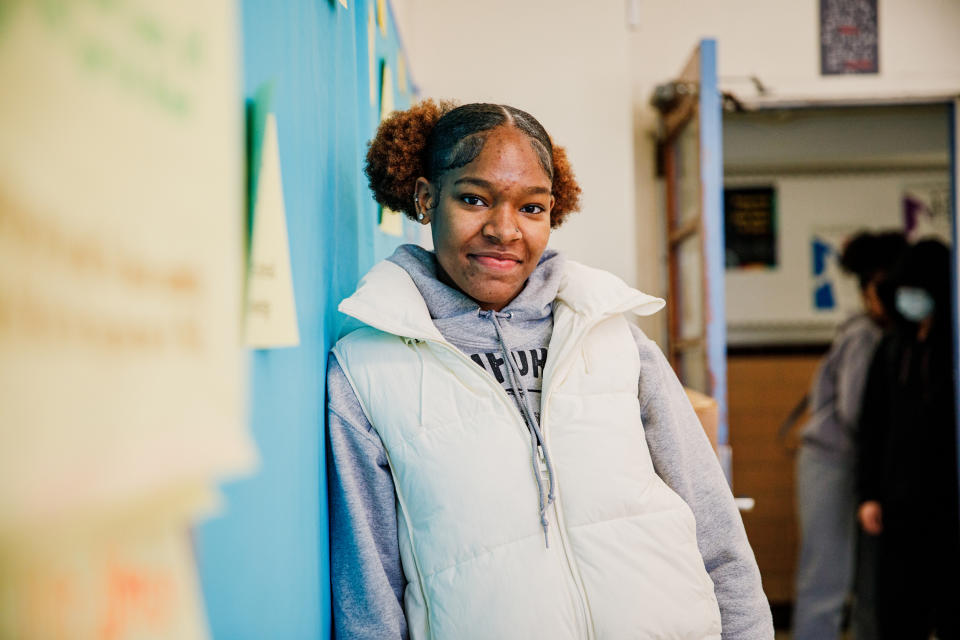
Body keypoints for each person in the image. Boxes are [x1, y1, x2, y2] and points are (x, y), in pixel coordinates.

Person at [326, 100, 772, 639]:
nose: (505, 230)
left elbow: (716, 531)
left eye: (531, 208)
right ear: (426, 199)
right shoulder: (367, 370)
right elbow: (368, 590)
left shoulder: (614, 339)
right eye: (474, 199)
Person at [791, 231, 906, 640]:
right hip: (833, 461)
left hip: (851, 464)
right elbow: (856, 412)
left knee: (858, 578)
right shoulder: (865, 335)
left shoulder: (878, 332)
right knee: (827, 575)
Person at [857, 239, 960, 640]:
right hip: (898, 502)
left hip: (949, 502)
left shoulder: (952, 347)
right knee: (899, 609)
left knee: (950, 604)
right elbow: (873, 425)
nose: (908, 298)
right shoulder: (891, 347)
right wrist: (869, 494)